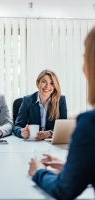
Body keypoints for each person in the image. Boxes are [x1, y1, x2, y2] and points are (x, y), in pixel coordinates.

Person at [28, 27, 95, 199]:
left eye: (85, 59)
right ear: (38, 83)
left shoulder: (90, 124)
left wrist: (39, 172)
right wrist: (71, 167)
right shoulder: (28, 100)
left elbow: (64, 189)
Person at [13, 69, 67, 140]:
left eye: (51, 83)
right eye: (44, 82)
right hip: (33, 142)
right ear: (38, 83)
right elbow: (17, 126)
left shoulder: (61, 100)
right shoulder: (27, 100)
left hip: (51, 142)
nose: (47, 86)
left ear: (55, 86)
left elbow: (63, 127)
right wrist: (21, 132)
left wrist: (50, 133)